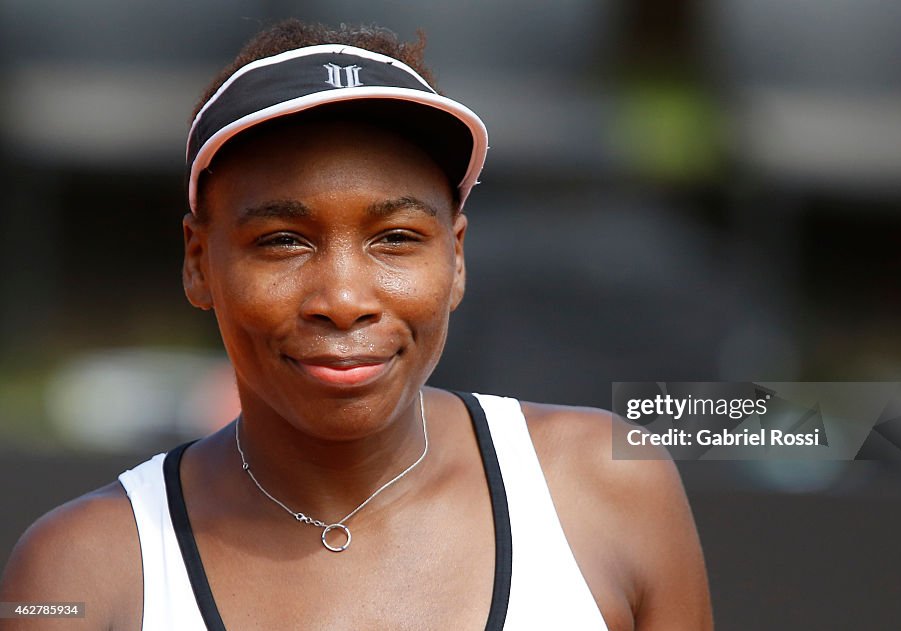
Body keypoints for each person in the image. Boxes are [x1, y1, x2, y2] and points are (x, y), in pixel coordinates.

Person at [0, 19, 712, 630]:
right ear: (198, 263)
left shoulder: (608, 486)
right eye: (283, 239)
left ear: (456, 258)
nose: (343, 298)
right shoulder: (81, 571)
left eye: (396, 237)